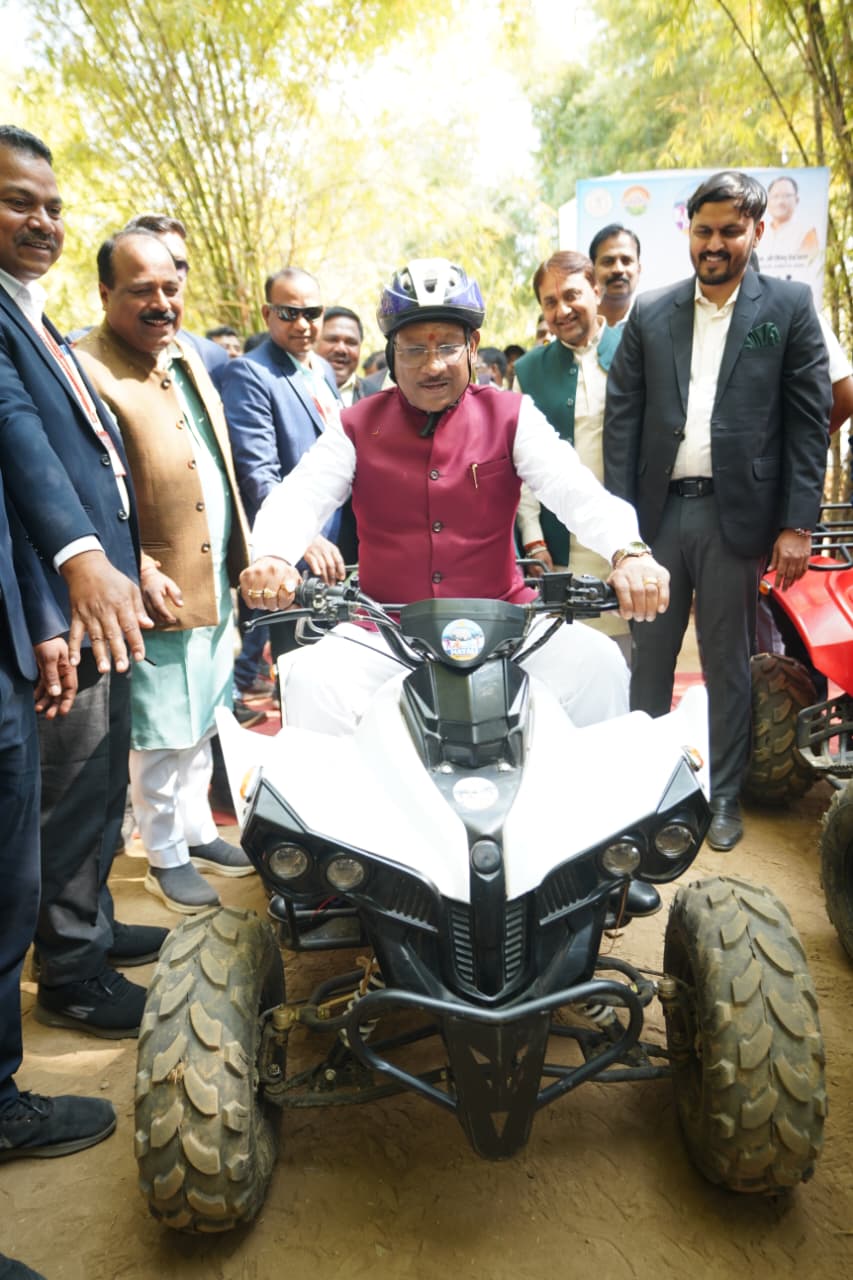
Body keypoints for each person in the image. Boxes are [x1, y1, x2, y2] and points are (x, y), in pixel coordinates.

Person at [240, 256, 669, 737]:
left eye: (447, 345)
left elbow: (576, 490)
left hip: (508, 622)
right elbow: (300, 496)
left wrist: (630, 552)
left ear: (473, 346)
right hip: (384, 630)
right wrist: (273, 556)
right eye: (413, 349)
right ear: (391, 352)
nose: (432, 365)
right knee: (310, 680)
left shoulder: (513, 414)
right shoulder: (355, 424)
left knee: (600, 664)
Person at [0, 125, 152, 1157]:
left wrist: (124, 560)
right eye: (20, 201)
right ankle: (71, 965)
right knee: (58, 796)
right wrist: (69, 580)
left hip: (90, 595)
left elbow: (82, 458)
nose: (44, 220)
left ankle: (86, 925)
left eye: (54, 205)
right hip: (57, 605)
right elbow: (18, 457)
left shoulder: (30, 313)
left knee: (98, 780)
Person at [603, 170, 831, 852]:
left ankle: (723, 795)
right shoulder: (651, 313)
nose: (714, 243)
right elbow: (622, 425)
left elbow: (807, 421)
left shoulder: (787, 306)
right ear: (688, 231)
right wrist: (623, 531)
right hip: (658, 517)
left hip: (736, 518)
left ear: (755, 231)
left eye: (730, 231)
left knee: (727, 661)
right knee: (649, 658)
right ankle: (645, 794)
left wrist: (796, 524)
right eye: (703, 230)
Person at [75, 230, 253, 913]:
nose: (160, 303)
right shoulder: (88, 369)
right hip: (154, 583)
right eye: (141, 290)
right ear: (105, 293)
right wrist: (139, 566)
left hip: (210, 575)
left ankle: (199, 829)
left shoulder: (182, 354)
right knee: (159, 728)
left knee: (204, 714)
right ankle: (164, 852)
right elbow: (87, 491)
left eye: (170, 288)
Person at [221, 267, 354, 698]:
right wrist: (302, 536)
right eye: (288, 313)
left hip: (341, 556)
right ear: (267, 314)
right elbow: (258, 473)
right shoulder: (250, 373)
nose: (302, 324)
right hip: (296, 557)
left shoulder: (322, 370)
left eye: (312, 312)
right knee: (302, 687)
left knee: (341, 681)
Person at [513, 251, 629, 655]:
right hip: (560, 545)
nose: (561, 311)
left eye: (571, 295)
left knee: (631, 655)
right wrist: (533, 536)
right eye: (549, 302)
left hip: (627, 539)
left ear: (596, 291)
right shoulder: (529, 370)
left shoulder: (636, 351)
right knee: (572, 655)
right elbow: (520, 463)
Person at [123, 213, 230, 391]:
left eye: (178, 265)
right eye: (158, 261)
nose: (171, 274)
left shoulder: (213, 359)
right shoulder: (83, 359)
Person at [760, 175, 821, 290]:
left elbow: (809, 273)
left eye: (787, 196)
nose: (780, 202)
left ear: (796, 200)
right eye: (775, 196)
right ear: (768, 201)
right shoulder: (758, 232)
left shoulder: (807, 232)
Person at [589, 224, 641, 329]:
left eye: (626, 261)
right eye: (608, 261)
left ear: (638, 269)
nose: (618, 269)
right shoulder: (577, 325)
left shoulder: (651, 323)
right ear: (592, 270)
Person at [315, 306, 364, 406]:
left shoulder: (377, 395)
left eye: (351, 342)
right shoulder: (296, 389)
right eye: (332, 340)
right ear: (315, 342)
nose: (341, 349)